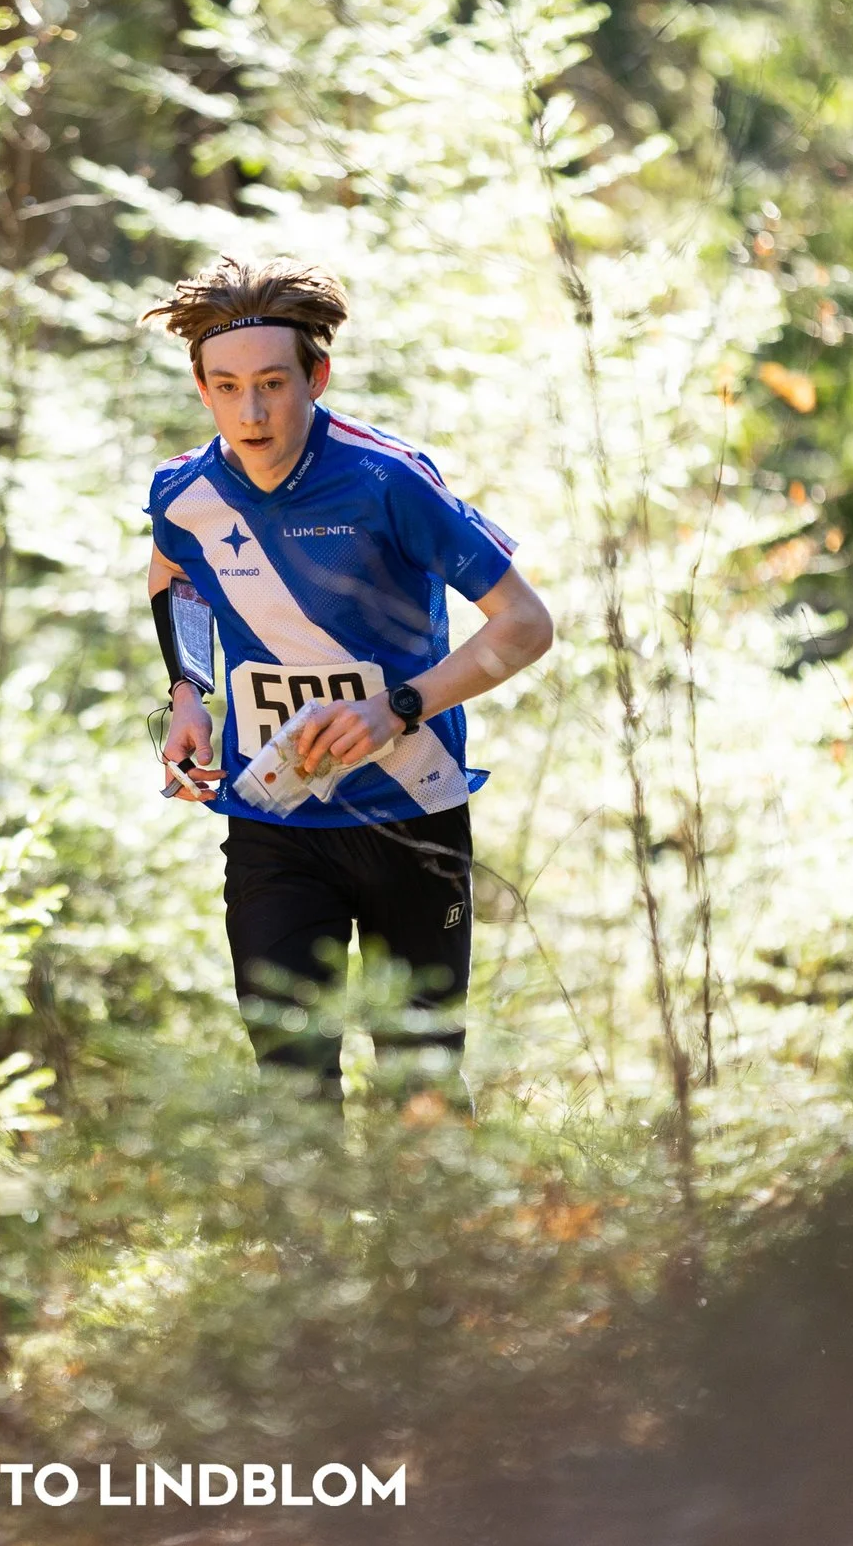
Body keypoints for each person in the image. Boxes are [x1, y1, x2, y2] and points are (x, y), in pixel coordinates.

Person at [142, 257, 554, 1109]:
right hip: (275, 817)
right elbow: (174, 577)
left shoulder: (388, 479)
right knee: (291, 1084)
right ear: (201, 387)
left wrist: (398, 707)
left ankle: (441, 1248)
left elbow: (525, 624)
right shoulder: (184, 492)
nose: (251, 413)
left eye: (272, 385)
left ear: (315, 376)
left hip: (412, 810)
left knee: (420, 1083)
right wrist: (189, 694)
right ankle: (315, 1252)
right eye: (226, 387)